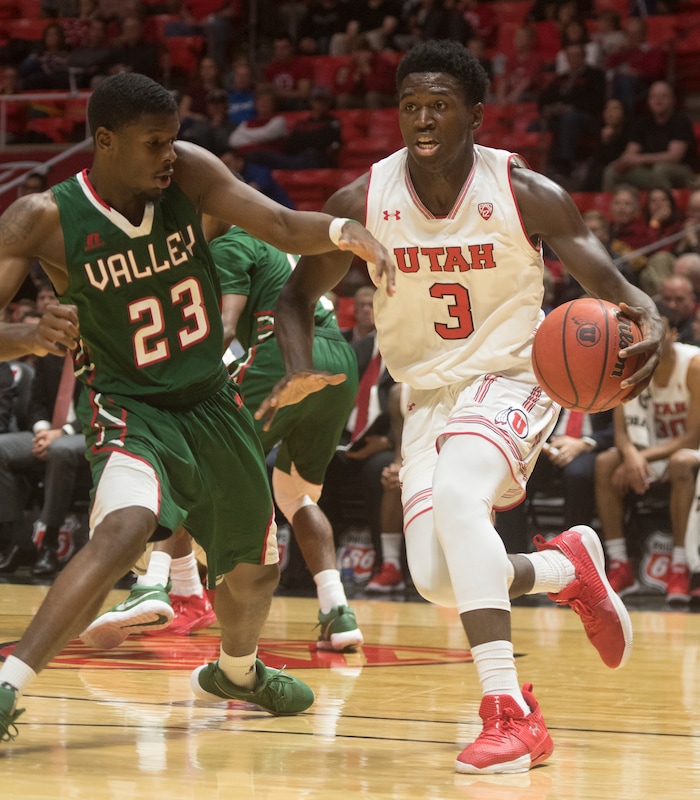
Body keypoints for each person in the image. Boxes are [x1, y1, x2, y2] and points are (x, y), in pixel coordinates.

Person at [257, 40, 664, 775]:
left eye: (438, 104)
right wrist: (297, 368)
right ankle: (564, 569)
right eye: (410, 104)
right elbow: (292, 298)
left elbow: (613, 282)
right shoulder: (363, 201)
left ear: (475, 115)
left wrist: (652, 318)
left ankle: (512, 715)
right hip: (426, 395)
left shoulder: (525, 191)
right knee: (440, 580)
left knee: (458, 498)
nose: (421, 117)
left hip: (515, 376)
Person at [0, 71, 395, 743]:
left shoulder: (190, 174)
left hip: (211, 400)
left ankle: (237, 672)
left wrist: (341, 229)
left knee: (256, 569)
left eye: (173, 140)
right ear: (105, 141)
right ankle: (10, 688)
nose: (167, 155)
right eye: (154, 143)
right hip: (128, 403)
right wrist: (22, 334)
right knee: (126, 527)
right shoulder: (41, 218)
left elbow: (277, 223)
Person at [80, 221, 365, 651]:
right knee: (294, 494)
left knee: (191, 451)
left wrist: (181, 386)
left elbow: (227, 327)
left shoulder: (232, 244)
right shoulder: (275, 243)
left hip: (283, 353)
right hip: (337, 363)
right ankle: (336, 610)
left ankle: (153, 585)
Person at [595, 301, 700, 603]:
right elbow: (620, 433)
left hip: (688, 451)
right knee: (605, 463)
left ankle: (679, 566)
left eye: (659, 329)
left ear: (674, 333)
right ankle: (619, 564)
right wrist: (630, 455)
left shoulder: (692, 365)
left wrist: (640, 458)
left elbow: (692, 437)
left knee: (680, 463)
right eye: (646, 331)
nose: (651, 337)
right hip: (649, 451)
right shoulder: (630, 366)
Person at [0, 350, 89, 577]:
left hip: (88, 433)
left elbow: (99, 407)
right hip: (47, 433)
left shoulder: (100, 351)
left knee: (60, 451)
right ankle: (14, 541)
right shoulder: (49, 354)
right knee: (1, 447)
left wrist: (62, 433)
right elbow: (36, 402)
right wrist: (43, 431)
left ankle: (48, 543)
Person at [602, 81, 699, 193]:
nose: (658, 100)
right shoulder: (642, 123)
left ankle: (666, 206)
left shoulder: (681, 122)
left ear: (673, 100)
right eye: (654, 96)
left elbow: (674, 157)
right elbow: (631, 152)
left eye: (663, 96)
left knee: (661, 169)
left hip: (682, 171)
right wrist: (624, 161)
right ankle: (614, 206)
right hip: (649, 171)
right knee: (611, 171)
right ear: (648, 100)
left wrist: (639, 159)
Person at [537, 41, 606, 184]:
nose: (573, 59)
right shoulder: (561, 78)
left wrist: (572, 107)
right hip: (559, 117)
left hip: (587, 118)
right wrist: (549, 109)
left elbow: (597, 101)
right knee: (534, 126)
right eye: (570, 56)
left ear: (584, 56)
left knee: (570, 119)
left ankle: (564, 164)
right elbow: (543, 99)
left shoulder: (595, 75)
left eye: (576, 56)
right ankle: (538, 167)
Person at [658, 274, 697, 345]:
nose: (672, 305)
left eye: (679, 299)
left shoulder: (697, 328)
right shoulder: (654, 322)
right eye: (667, 299)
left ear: (692, 300)